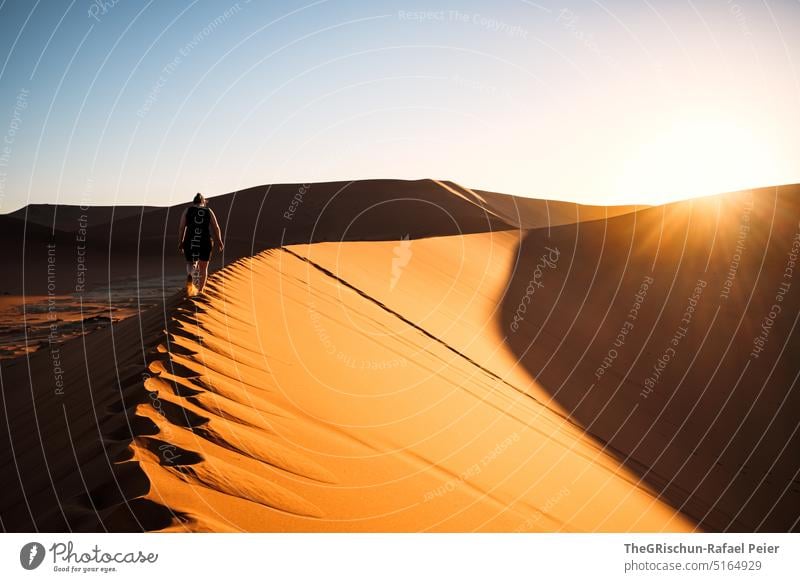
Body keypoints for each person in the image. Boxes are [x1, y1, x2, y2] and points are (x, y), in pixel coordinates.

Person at [177, 193, 224, 294]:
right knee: (203, 267)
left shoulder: (187, 210)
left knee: (191, 262)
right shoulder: (208, 211)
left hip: (190, 240)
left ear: (194, 202)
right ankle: (201, 290)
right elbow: (216, 227)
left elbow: (181, 228)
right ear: (204, 202)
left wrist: (181, 242)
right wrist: (219, 241)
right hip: (205, 240)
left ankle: (190, 273)